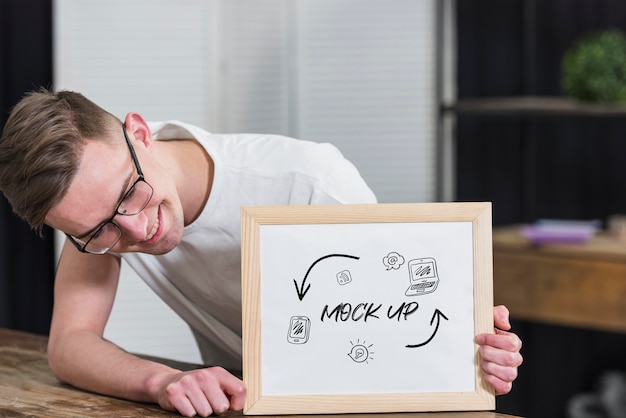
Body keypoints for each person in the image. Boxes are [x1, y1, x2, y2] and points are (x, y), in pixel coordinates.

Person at [0, 89, 522, 417]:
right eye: (99, 232)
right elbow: (69, 344)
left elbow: (389, 338)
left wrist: (469, 350)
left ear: (140, 133)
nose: (137, 230)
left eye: (129, 196)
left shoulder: (310, 183)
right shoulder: (98, 209)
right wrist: (162, 380)